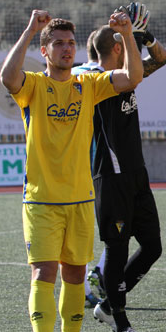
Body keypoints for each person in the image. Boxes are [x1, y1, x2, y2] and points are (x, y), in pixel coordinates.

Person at [0, 9, 142, 332]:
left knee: (75, 274)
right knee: (43, 272)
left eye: (71, 43)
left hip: (80, 199)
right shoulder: (33, 85)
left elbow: (133, 76)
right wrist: (32, 29)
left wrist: (126, 34)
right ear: (45, 52)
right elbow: (7, 77)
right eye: (59, 43)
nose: (67, 49)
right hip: (41, 200)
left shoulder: (88, 85)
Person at [87, 2, 166, 332]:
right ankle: (120, 325)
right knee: (116, 248)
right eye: (128, 42)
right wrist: (127, 35)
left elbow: (161, 60)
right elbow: (133, 73)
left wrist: (145, 35)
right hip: (111, 176)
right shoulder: (92, 79)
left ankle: (107, 304)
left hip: (136, 174)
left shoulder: (125, 75)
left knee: (152, 247)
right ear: (118, 47)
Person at [70, 31, 104, 308]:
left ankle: (86, 281)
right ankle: (92, 279)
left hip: (71, 164)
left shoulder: (71, 72)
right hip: (98, 163)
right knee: (117, 229)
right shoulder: (100, 77)